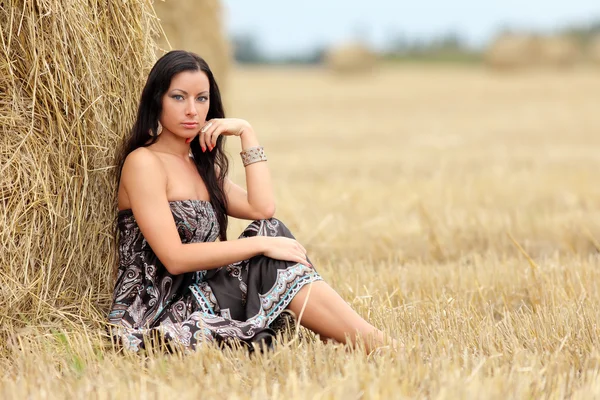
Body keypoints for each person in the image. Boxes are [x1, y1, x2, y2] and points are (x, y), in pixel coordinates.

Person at [108, 50, 393, 354]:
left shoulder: (202, 166)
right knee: (268, 243)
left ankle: (361, 340)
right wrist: (259, 246)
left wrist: (247, 132)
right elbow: (175, 258)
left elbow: (262, 208)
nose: (192, 110)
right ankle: (373, 344)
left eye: (201, 99)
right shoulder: (144, 163)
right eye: (179, 97)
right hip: (157, 310)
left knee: (271, 228)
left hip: (204, 293)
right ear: (157, 100)